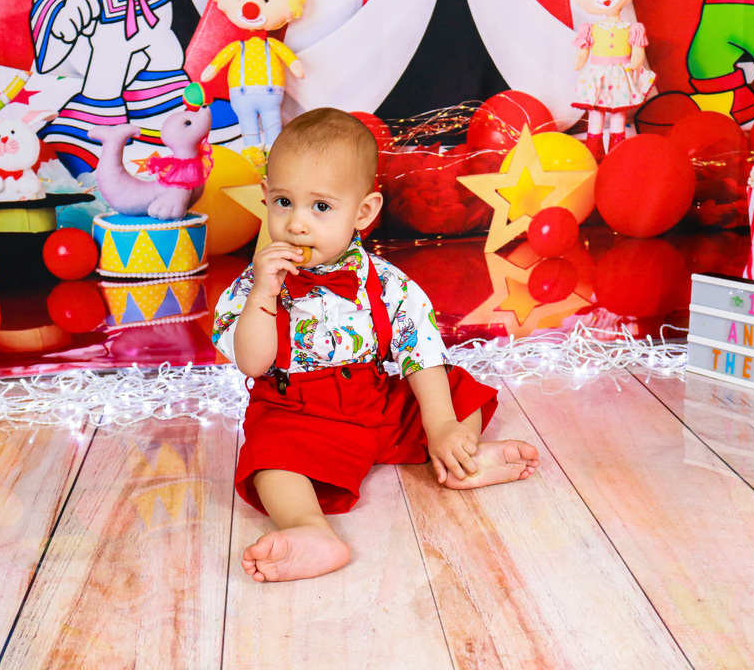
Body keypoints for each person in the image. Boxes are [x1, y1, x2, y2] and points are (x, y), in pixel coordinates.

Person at [212, 108, 541, 583]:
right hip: (297, 412)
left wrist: (440, 424)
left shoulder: (387, 282)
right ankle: (310, 528)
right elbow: (252, 361)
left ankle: (458, 455)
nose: (297, 224)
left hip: (375, 399)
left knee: (452, 387)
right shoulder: (254, 286)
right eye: (284, 202)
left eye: (320, 207)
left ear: (363, 212)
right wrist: (263, 293)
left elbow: (421, 353)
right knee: (268, 457)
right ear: (265, 197)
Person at [549, 0, 656, 159]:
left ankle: (617, 149)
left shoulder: (632, 28)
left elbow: (637, 52)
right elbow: (582, 54)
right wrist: (580, 59)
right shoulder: (591, 29)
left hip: (621, 73)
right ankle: (594, 147)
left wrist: (636, 62)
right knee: (596, 110)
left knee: (618, 111)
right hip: (598, 74)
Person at [200, 0, 306, 165]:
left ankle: (275, 157)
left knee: (272, 122)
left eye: (266, 0)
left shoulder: (272, 45)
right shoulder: (238, 46)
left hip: (268, 93)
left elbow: (288, 57)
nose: (251, 7)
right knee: (248, 126)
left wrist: (295, 65)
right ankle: (254, 159)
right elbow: (220, 60)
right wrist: (211, 69)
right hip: (243, 94)